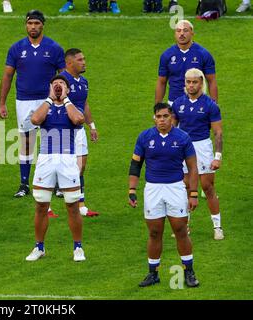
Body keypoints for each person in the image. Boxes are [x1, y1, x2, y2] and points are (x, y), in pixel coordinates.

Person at [128, 102, 200, 288]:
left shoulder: (183, 138)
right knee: (154, 232)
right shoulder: (144, 137)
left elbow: (192, 167)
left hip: (175, 188)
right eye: (158, 116)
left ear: (172, 118)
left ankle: (189, 271)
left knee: (180, 230)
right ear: (154, 118)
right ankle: (153, 273)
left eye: (165, 116)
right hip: (153, 189)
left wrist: (193, 193)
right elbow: (135, 165)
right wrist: (132, 190)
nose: (162, 120)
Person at [0, 10, 65, 201]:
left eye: (37, 23)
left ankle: (57, 185)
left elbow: (64, 77)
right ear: (25, 25)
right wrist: (2, 103)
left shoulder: (54, 48)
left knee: (53, 141)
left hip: (49, 101)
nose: (33, 27)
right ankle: (24, 184)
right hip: (24, 101)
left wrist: (63, 100)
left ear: (43, 25)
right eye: (30, 23)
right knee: (26, 142)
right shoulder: (16, 48)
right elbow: (7, 76)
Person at [25, 75, 85, 262]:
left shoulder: (73, 108)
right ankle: (39, 247)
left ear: (68, 89)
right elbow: (35, 119)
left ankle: (78, 248)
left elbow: (78, 119)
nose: (59, 86)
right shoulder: (45, 107)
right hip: (46, 159)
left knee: (72, 205)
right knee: (41, 204)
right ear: (50, 87)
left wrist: (65, 99)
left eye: (62, 84)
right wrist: (50, 98)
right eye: (55, 84)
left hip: (67, 159)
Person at [172, 68, 224, 240]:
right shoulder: (178, 103)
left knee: (207, 187)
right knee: (185, 187)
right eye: (188, 82)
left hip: (203, 147)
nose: (191, 85)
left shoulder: (210, 105)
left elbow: (218, 133)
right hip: (184, 148)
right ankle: (184, 227)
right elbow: (171, 128)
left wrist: (217, 156)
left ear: (201, 83)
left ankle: (217, 226)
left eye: (194, 82)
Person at [58, 48, 99, 217]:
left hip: (80, 130)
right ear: (69, 63)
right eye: (80, 60)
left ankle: (81, 204)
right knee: (59, 168)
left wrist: (92, 125)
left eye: (84, 58)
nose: (84, 62)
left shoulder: (83, 81)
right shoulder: (60, 81)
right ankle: (47, 205)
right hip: (64, 131)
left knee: (81, 167)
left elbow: (85, 104)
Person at [155, 20, 218, 106]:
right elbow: (161, 82)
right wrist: (157, 108)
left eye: (185, 30)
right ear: (175, 34)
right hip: (174, 103)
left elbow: (211, 81)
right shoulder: (167, 55)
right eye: (178, 31)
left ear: (192, 33)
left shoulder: (203, 54)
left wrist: (214, 105)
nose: (181, 34)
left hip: (198, 103)